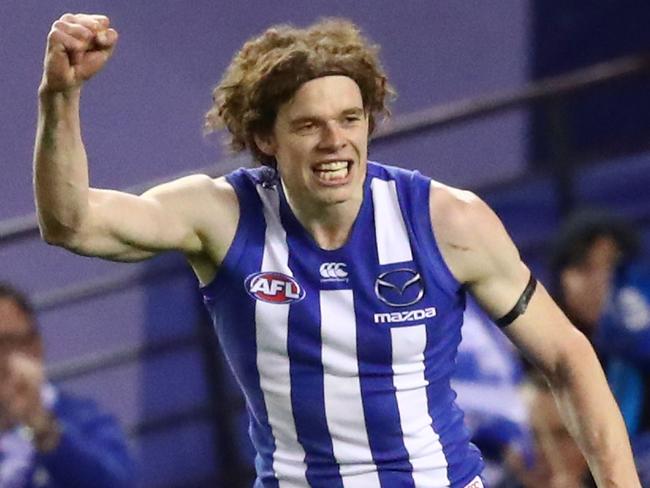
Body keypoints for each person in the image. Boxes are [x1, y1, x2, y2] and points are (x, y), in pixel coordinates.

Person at [33, 13, 640, 487]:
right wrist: (60, 98)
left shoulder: (450, 220)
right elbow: (71, 224)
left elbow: (568, 357)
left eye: (351, 119)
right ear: (265, 137)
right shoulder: (217, 216)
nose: (336, 142)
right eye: (308, 125)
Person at [0, 282, 135, 487]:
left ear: (36, 346)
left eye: (11, 342)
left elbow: (119, 482)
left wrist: (44, 430)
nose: (4, 358)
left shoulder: (82, 418)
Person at [550, 209, 650, 485]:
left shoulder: (638, 358)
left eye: (614, 267)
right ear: (561, 279)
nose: (602, 281)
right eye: (585, 267)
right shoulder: (534, 362)